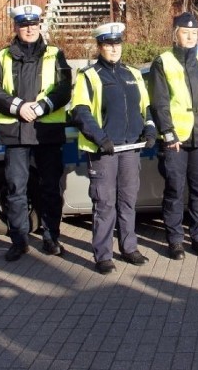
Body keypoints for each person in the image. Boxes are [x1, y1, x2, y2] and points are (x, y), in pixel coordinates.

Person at [0, 4, 72, 262]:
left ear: (39, 26)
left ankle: (51, 238)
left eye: (34, 24)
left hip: (46, 130)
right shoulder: (2, 57)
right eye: (24, 25)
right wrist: (18, 106)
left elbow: (64, 88)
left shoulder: (56, 54)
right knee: (15, 188)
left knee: (51, 188)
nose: (30, 29)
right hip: (16, 131)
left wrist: (42, 106)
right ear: (16, 28)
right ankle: (19, 240)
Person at [70, 22, 157, 275]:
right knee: (105, 204)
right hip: (105, 151)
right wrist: (100, 138)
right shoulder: (89, 75)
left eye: (117, 43)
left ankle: (129, 247)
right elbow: (81, 111)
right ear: (99, 46)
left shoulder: (133, 73)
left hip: (131, 148)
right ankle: (103, 254)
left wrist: (150, 128)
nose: (114, 48)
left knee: (128, 201)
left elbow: (147, 108)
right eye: (108, 44)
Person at [148, 12, 198, 260]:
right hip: (175, 139)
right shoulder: (162, 62)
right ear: (175, 34)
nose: (190, 36)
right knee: (174, 190)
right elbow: (159, 102)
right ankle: (175, 240)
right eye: (185, 32)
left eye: (194, 33)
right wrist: (167, 132)